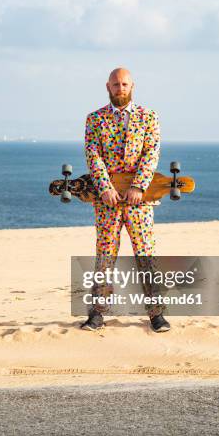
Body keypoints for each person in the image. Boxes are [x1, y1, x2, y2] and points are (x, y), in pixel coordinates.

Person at [80, 67, 171, 332]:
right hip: (106, 200)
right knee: (105, 255)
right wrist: (105, 188)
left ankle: (156, 314)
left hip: (139, 201)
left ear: (133, 86)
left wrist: (139, 186)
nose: (121, 89)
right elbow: (92, 154)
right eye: (116, 84)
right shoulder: (94, 119)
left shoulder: (148, 117)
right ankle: (97, 313)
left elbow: (151, 153)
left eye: (125, 84)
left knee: (146, 254)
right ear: (107, 87)